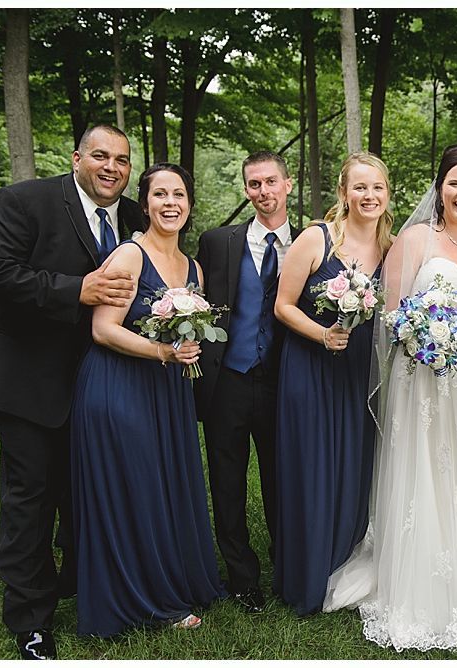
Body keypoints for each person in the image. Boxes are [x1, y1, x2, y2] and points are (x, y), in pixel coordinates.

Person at [323, 144, 457, 654]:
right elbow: (392, 313)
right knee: (431, 469)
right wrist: (426, 335)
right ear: (439, 187)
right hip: (423, 374)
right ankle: (425, 579)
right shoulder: (414, 239)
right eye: (454, 183)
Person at [0, 124, 144, 659]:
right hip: (28, 375)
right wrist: (77, 290)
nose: (111, 167)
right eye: (100, 156)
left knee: (86, 488)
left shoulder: (135, 216)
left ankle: (82, 581)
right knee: (31, 496)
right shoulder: (24, 202)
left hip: (101, 379)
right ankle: (31, 619)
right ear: (77, 158)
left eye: (121, 159)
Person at [69, 163, 226, 637]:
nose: (170, 203)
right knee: (135, 489)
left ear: (189, 204)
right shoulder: (129, 256)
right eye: (160, 194)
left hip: (167, 391)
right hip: (119, 387)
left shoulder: (193, 267)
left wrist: (186, 348)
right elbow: (102, 329)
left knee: (163, 486)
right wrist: (164, 351)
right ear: (145, 203)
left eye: (179, 194)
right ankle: (142, 598)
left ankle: (171, 579)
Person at [272, 152, 391, 616]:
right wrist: (322, 333)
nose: (369, 196)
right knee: (312, 467)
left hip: (360, 372)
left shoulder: (393, 246)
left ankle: (343, 567)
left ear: (387, 194)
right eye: (359, 187)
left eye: (377, 187)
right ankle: (305, 575)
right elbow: (283, 306)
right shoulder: (316, 239)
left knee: (353, 467)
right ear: (343, 193)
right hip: (311, 367)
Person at [194, 151, 298, 613]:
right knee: (227, 481)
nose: (264, 192)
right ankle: (241, 575)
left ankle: (287, 564)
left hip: (284, 382)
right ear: (246, 190)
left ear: (288, 184)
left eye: (271, 182)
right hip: (228, 381)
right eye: (254, 184)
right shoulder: (218, 242)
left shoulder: (313, 242)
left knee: (282, 477)